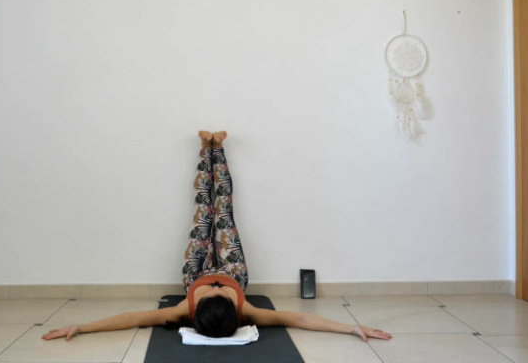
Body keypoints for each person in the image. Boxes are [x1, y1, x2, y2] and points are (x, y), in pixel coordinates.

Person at [43, 131, 392, 342]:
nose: (214, 286)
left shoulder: (184, 307)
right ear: (235, 311)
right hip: (234, 270)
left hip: (193, 271)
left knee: (202, 208)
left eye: (211, 294)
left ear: (195, 309)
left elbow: (133, 318)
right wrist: (350, 328)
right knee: (222, 205)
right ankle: (218, 149)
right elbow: (297, 318)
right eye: (219, 293)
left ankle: (204, 148)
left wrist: (82, 327)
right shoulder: (246, 308)